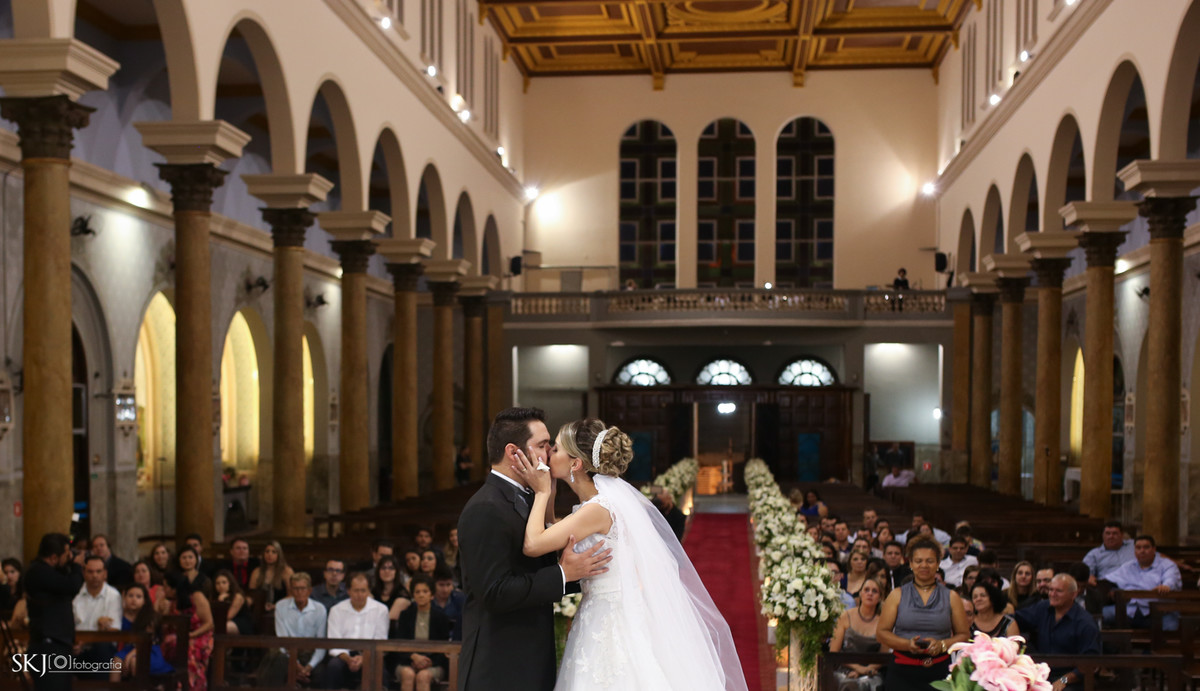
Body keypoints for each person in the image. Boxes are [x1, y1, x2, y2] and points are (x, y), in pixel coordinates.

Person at [511, 416, 747, 690]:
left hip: (609, 619)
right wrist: (550, 492)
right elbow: (555, 530)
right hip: (599, 612)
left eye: (556, 448)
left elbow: (533, 544)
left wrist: (541, 493)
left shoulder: (597, 509)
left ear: (575, 464)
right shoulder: (593, 506)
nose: (549, 454)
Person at [456, 407, 612, 691]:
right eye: (542, 445)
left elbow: (538, 564)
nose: (549, 453)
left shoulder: (529, 497)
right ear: (513, 452)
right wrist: (562, 574)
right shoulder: (485, 508)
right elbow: (493, 592)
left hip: (529, 658)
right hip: (500, 666)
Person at [875, 536, 970, 691]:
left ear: (938, 564)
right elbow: (881, 633)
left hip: (940, 671)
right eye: (918, 561)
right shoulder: (897, 595)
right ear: (911, 564)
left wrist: (942, 645)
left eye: (930, 561)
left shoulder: (951, 596)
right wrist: (907, 644)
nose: (924, 565)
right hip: (902, 671)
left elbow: (964, 635)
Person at [1013, 574, 1101, 691]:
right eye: (1051, 589)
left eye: (1058, 591)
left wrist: (1064, 680)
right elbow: (1016, 619)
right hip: (1040, 674)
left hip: (1070, 680)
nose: (1052, 594)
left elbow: (1090, 663)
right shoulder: (1043, 608)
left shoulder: (1085, 623)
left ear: (1073, 594)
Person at [26, 533, 84, 691]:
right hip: (47, 648)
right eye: (66, 554)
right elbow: (72, 586)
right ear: (53, 557)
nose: (69, 557)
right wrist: (77, 566)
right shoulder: (38, 572)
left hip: (59, 645)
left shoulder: (53, 572)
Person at [258, 572, 327, 687]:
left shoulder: (320, 609)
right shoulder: (281, 606)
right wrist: (296, 665)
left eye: (302, 588)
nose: (299, 592)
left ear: (309, 590)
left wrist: (308, 667)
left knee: (321, 672)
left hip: (310, 654)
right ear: (291, 590)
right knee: (277, 660)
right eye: (295, 588)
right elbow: (282, 640)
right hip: (287, 653)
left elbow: (321, 644)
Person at [324, 572, 389, 689]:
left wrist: (364, 658)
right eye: (356, 590)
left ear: (369, 591)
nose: (359, 595)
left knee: (379, 669)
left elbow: (380, 640)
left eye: (363, 590)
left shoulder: (381, 609)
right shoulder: (336, 610)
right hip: (344, 655)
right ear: (348, 591)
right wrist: (348, 659)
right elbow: (334, 642)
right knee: (333, 667)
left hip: (370, 654)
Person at [1103, 534, 1182, 630]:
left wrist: (1166, 586)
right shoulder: (1128, 566)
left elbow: (1171, 579)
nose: (1142, 551)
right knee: (1098, 616)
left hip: (1159, 612)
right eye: (1138, 548)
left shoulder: (1167, 565)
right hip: (1129, 610)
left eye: (1146, 547)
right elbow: (1108, 580)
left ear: (1154, 549)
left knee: (1171, 628)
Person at [391, 576, 451, 690]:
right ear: (413, 595)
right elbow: (399, 643)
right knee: (408, 674)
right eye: (417, 592)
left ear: (431, 595)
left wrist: (428, 662)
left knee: (423, 676)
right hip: (407, 661)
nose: (421, 595)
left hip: (433, 664)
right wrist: (413, 657)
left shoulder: (441, 617)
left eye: (425, 591)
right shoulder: (405, 615)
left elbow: (444, 647)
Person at [830, 578, 887, 690]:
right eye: (866, 590)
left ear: (880, 597)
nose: (870, 593)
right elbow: (834, 652)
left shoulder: (883, 623)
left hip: (870, 672)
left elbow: (883, 657)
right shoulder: (845, 616)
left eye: (874, 591)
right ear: (860, 593)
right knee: (848, 684)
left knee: (870, 684)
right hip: (844, 668)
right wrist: (857, 668)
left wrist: (864, 671)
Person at [160, 572, 214, 691]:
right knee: (168, 645)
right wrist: (164, 610)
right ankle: (171, 683)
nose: (163, 590)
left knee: (188, 650)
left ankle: (191, 686)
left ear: (174, 588)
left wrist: (191, 635)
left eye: (166, 586)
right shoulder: (172, 602)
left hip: (200, 635)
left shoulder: (197, 597)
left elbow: (209, 623)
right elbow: (166, 627)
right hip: (179, 637)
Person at [111, 583, 173, 681]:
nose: (134, 599)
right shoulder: (120, 615)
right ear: (124, 598)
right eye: (130, 596)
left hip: (149, 650)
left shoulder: (149, 617)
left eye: (138, 597)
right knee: (116, 660)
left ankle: (140, 687)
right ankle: (114, 687)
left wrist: (131, 654)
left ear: (144, 600)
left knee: (135, 660)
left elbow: (148, 641)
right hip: (129, 648)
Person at [74, 555, 123, 675]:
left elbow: (114, 630)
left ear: (105, 573)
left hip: (102, 648)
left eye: (98, 571)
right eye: (90, 571)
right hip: (76, 645)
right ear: (84, 573)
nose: (95, 575)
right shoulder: (74, 595)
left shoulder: (113, 595)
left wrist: (86, 642)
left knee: (102, 648)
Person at [1083, 520, 1135, 585]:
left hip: (1135, 585)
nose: (1111, 537)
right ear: (1103, 535)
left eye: (1115, 533)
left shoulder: (1134, 546)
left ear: (1122, 535)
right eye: (1107, 533)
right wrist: (1091, 579)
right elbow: (1086, 574)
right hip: (1108, 586)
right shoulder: (1094, 554)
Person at [249, 540, 294, 612]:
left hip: (282, 608)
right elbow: (252, 594)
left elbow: (292, 595)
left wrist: (276, 605)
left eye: (274, 552)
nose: (270, 554)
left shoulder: (287, 571)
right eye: (267, 551)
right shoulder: (256, 572)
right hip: (260, 609)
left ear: (279, 555)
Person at [371, 554, 412, 621]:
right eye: (383, 568)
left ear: (396, 572)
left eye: (391, 568)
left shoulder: (402, 595)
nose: (387, 571)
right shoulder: (373, 592)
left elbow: (388, 621)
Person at [213, 569, 253, 634]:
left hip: (240, 623)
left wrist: (220, 601)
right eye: (217, 583)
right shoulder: (215, 596)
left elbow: (228, 616)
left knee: (220, 627)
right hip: (223, 622)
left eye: (224, 582)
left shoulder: (238, 597)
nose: (221, 586)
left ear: (230, 583)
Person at [431, 569, 465, 641]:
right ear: (433, 585)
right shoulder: (428, 601)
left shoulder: (461, 600)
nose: (445, 589)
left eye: (448, 584)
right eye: (441, 585)